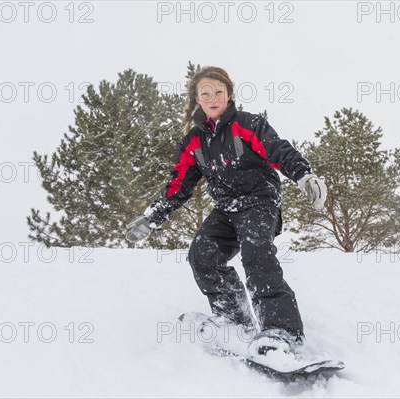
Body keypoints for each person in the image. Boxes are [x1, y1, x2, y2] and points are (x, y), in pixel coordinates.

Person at [126, 66, 327, 356]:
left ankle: (282, 331)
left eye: (218, 91)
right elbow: (179, 185)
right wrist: (153, 217)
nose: (212, 97)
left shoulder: (247, 124)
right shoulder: (195, 141)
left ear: (229, 94)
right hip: (226, 208)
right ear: (197, 99)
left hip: (259, 201)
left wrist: (304, 176)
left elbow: (278, 150)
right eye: (205, 93)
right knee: (202, 255)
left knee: (256, 254)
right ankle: (235, 318)